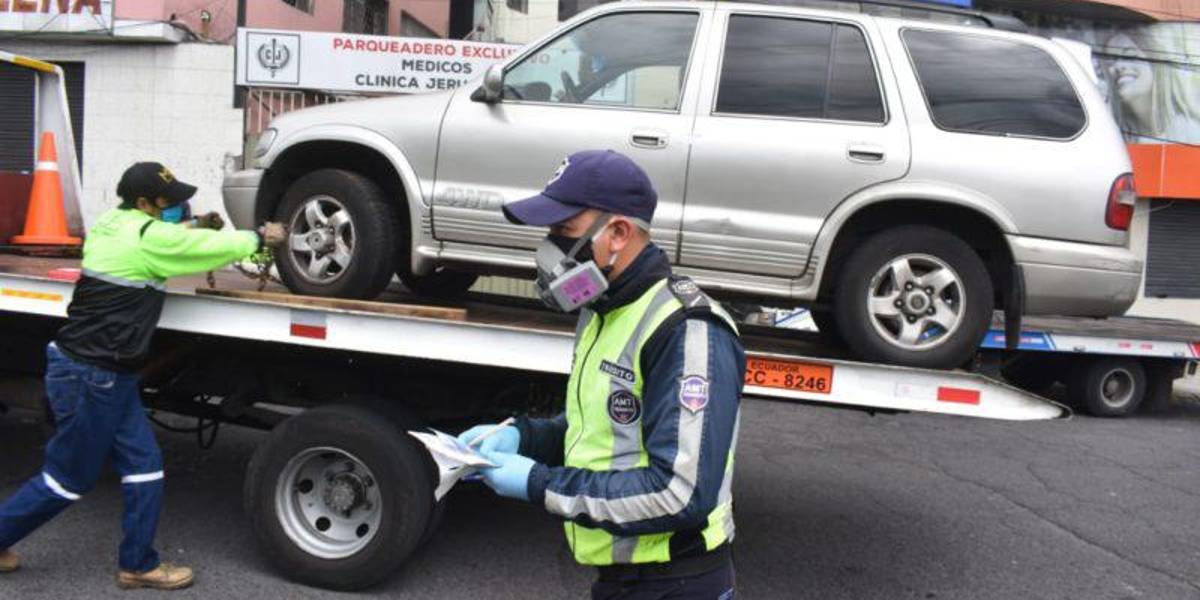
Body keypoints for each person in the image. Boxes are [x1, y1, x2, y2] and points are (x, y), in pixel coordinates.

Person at [459, 150, 745, 599]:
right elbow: (601, 430)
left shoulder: (686, 330)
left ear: (617, 233)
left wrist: (538, 483)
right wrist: (522, 437)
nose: (549, 248)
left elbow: (680, 493)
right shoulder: (600, 313)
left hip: (678, 584)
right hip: (620, 578)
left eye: (563, 231)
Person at [0, 162, 286, 590]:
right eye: (168, 203)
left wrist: (192, 224)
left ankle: (137, 563)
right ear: (144, 204)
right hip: (92, 376)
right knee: (68, 478)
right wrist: (261, 237)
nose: (175, 208)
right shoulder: (150, 239)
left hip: (102, 374)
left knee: (145, 465)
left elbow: (167, 238)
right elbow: (195, 248)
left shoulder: (111, 225)